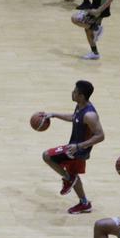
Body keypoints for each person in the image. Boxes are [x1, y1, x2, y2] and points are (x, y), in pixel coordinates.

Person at [39, 80, 104, 214]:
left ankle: (68, 178)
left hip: (78, 150)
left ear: (81, 95)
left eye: (75, 92)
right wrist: (55, 115)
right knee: (74, 174)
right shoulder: (80, 106)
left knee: (47, 156)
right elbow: (74, 118)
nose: (72, 93)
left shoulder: (90, 115)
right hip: (75, 147)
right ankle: (84, 203)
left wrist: (79, 146)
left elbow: (100, 136)